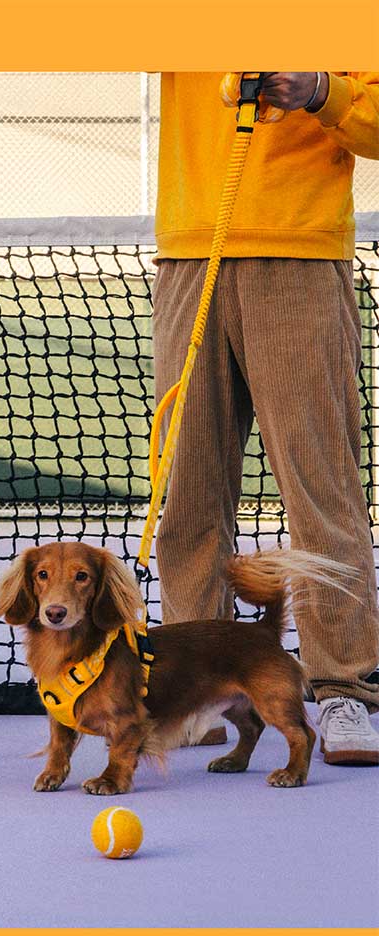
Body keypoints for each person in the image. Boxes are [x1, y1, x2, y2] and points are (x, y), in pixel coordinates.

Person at [153, 71, 379, 764]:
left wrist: (319, 92)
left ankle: (345, 687)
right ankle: (198, 688)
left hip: (302, 255)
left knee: (321, 487)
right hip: (191, 254)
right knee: (188, 493)